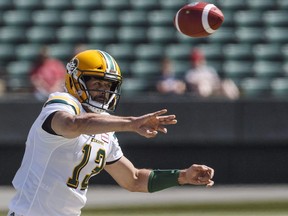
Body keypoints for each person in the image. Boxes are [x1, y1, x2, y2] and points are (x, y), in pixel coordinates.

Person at [8, 50, 214, 216]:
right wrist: (131, 123)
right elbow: (72, 124)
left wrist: (183, 176)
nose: (104, 91)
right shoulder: (62, 102)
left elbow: (133, 179)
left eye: (108, 85)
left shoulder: (104, 128)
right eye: (97, 83)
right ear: (76, 82)